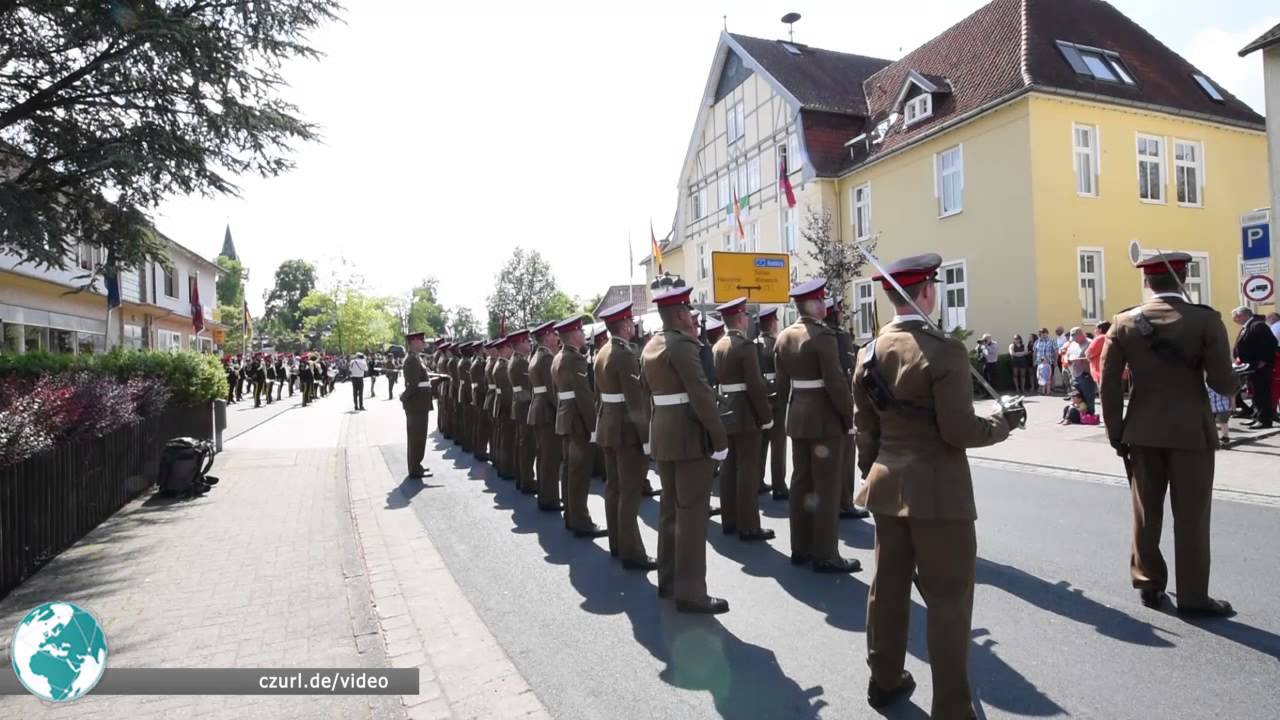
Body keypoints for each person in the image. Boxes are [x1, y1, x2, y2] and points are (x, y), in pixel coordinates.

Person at [852, 253, 1014, 717]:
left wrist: (873, 472)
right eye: (935, 288)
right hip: (939, 493)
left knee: (887, 587)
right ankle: (952, 707)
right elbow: (959, 431)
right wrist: (1004, 423)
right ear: (925, 291)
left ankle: (884, 680)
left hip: (886, 485)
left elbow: (865, 430)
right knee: (947, 600)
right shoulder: (944, 350)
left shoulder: (868, 352)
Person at [1101, 251, 1236, 617]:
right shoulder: (1206, 321)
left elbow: (1109, 386)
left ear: (1147, 282)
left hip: (1142, 431)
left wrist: (1116, 432)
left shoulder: (1124, 322)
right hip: (1192, 432)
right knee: (1192, 516)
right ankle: (1193, 597)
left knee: (1146, 513)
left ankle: (1147, 582)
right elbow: (1223, 383)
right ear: (1184, 278)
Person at [641, 285, 729, 614]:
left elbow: (646, 393)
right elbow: (701, 394)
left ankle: (668, 579)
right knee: (691, 515)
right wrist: (719, 440)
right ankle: (691, 592)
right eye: (688, 310)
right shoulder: (682, 346)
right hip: (688, 438)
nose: (691, 315)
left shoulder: (652, 345)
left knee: (669, 511)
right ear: (679, 314)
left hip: (664, 435)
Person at [774, 278, 860, 574]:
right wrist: (850, 416)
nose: (825, 305)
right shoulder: (822, 336)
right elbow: (836, 382)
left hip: (798, 417)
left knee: (800, 483)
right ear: (811, 304)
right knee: (826, 486)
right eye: (821, 300)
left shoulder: (784, 336)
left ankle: (800, 547)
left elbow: (783, 384)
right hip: (824, 419)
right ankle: (825, 554)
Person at [593, 302, 656, 569]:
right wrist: (646, 439)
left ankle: (617, 544)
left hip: (608, 426)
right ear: (625, 325)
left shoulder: (602, 352)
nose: (633, 326)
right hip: (626, 431)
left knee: (614, 489)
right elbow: (635, 401)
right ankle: (632, 553)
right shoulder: (624, 354)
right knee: (629, 493)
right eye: (630, 322)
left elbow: (599, 397)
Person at [711, 297, 775, 542]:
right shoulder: (745, 346)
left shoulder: (719, 346)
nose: (748, 319)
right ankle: (748, 525)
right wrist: (765, 416)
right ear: (739, 318)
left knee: (728, 468)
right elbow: (755, 385)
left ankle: (729, 520)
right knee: (747, 470)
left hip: (725, 410)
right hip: (746, 414)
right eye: (745, 315)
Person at [550, 316, 606, 538]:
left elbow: (558, 394)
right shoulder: (574, 360)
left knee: (569, 471)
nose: (584, 336)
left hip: (565, 418)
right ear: (573, 335)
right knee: (580, 474)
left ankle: (571, 517)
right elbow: (584, 396)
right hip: (578, 422)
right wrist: (593, 427)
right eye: (581, 332)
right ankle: (581, 521)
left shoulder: (557, 358)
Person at [826, 297, 872, 521]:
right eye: (840, 310)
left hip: (821, 406)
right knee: (845, 458)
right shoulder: (839, 336)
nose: (843, 313)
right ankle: (845, 503)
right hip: (842, 402)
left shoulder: (817, 334)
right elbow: (848, 372)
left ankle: (832, 501)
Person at [527, 322, 563, 512]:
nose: (557, 337)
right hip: (547, 412)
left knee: (543, 456)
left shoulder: (536, 355)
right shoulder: (547, 358)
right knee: (550, 458)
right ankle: (550, 498)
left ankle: (544, 494)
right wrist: (561, 411)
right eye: (554, 334)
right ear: (546, 336)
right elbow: (552, 391)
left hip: (538, 410)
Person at [756, 307, 788, 499]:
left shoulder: (752, 344)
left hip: (759, 397)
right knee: (778, 444)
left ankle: (758, 480)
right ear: (772, 323)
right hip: (776, 397)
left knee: (760, 443)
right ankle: (778, 484)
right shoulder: (776, 344)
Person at [1232, 306, 1278, 429]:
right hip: (1250, 366)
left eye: (1235, 316)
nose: (1234, 319)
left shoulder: (1258, 325)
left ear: (1244, 315)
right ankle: (1256, 416)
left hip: (1260, 366)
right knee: (1255, 394)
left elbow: (1270, 343)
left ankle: (1264, 420)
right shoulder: (1248, 326)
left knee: (1262, 393)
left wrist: (1263, 361)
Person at [507, 330, 538, 495]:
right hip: (525, 405)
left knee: (522, 444)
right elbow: (529, 387)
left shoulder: (515, 360)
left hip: (519, 405)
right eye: (526, 341)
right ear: (519, 343)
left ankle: (522, 478)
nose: (529, 343)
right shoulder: (520, 363)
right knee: (527, 446)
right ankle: (527, 480)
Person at [401, 332, 435, 479]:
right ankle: (414, 468)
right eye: (421, 340)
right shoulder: (412, 360)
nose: (423, 343)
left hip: (419, 404)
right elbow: (413, 384)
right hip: (416, 404)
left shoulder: (416, 358)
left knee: (419, 437)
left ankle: (417, 465)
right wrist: (404, 397)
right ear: (414, 341)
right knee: (416, 437)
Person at [493, 337, 516, 480]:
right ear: (504, 349)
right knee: (507, 439)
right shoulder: (502, 367)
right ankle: (506, 469)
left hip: (503, 404)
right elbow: (508, 392)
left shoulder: (501, 364)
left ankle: (504, 466)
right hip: (506, 405)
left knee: (506, 437)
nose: (512, 350)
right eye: (509, 347)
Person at [1065, 327, 1096, 414]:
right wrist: (1067, 358)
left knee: (1088, 396)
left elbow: (1093, 357)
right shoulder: (1073, 344)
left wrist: (1080, 359)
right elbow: (1067, 354)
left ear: (1080, 334)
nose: (1074, 340)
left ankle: (1090, 416)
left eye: (1075, 337)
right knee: (1076, 396)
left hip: (1086, 374)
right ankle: (1078, 415)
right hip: (1074, 374)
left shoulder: (1090, 343)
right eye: (1073, 338)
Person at [1087, 321, 1111, 386]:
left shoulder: (1100, 338)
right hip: (1112, 371)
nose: (1094, 331)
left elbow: (1088, 354)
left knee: (1104, 394)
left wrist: (1088, 358)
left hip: (1100, 372)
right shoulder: (1111, 337)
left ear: (1100, 330)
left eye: (1095, 329)